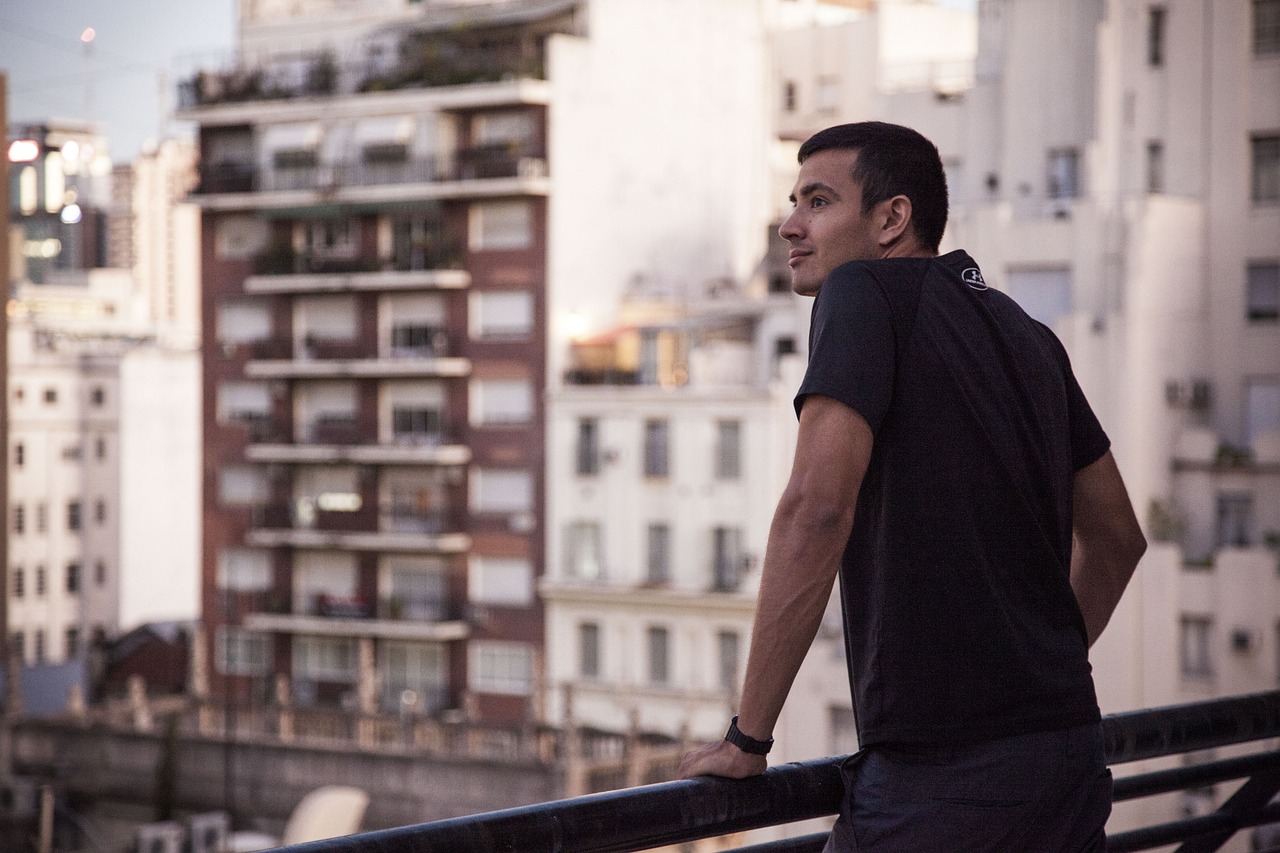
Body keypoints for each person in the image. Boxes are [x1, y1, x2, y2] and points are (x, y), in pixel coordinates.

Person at [677, 122, 1147, 851]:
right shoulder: (1030, 336)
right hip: (1066, 756)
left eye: (818, 202)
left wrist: (748, 738)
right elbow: (1118, 538)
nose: (791, 225)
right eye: (794, 202)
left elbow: (816, 510)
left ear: (892, 218)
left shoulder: (862, 291)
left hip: (944, 778)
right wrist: (1035, 673)